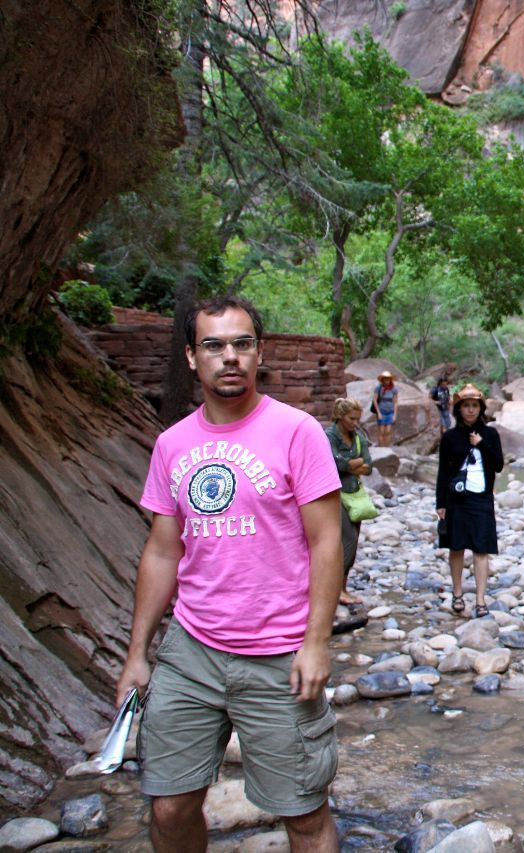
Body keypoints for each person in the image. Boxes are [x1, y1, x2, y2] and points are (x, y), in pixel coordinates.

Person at [116, 296, 342, 852]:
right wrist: (137, 654)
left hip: (278, 653)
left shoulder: (298, 432)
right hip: (191, 651)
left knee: (303, 814)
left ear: (259, 352)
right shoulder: (172, 445)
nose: (230, 356)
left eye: (242, 343)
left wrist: (316, 643)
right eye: (214, 345)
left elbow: (327, 540)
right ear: (192, 358)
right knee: (169, 806)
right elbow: (163, 552)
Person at [435, 383, 504, 618]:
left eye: (475, 406)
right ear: (459, 409)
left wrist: (481, 444)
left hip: (482, 499)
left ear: (481, 408)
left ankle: (480, 599)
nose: (471, 410)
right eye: (466, 406)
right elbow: (443, 471)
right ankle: (456, 593)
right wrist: (440, 504)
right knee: (456, 547)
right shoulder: (450, 438)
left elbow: (498, 465)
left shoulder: (491, 434)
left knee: (481, 549)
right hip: (456, 500)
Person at [326, 398, 374, 606]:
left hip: (354, 493)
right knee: (347, 539)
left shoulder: (358, 437)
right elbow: (332, 463)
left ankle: (343, 587)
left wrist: (350, 465)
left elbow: (368, 465)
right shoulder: (330, 437)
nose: (355, 423)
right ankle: (334, 589)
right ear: (340, 416)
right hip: (335, 494)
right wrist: (352, 464)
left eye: (357, 418)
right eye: (351, 418)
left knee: (353, 542)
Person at [372, 370, 399, 447]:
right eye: (385, 378)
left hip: (390, 411)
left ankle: (386, 448)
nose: (387, 380)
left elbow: (396, 402)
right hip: (381, 411)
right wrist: (379, 413)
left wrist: (395, 415)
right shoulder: (378, 388)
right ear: (382, 379)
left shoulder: (394, 389)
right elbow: (375, 400)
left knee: (388, 431)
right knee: (381, 431)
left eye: (388, 378)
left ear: (390, 379)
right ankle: (381, 448)